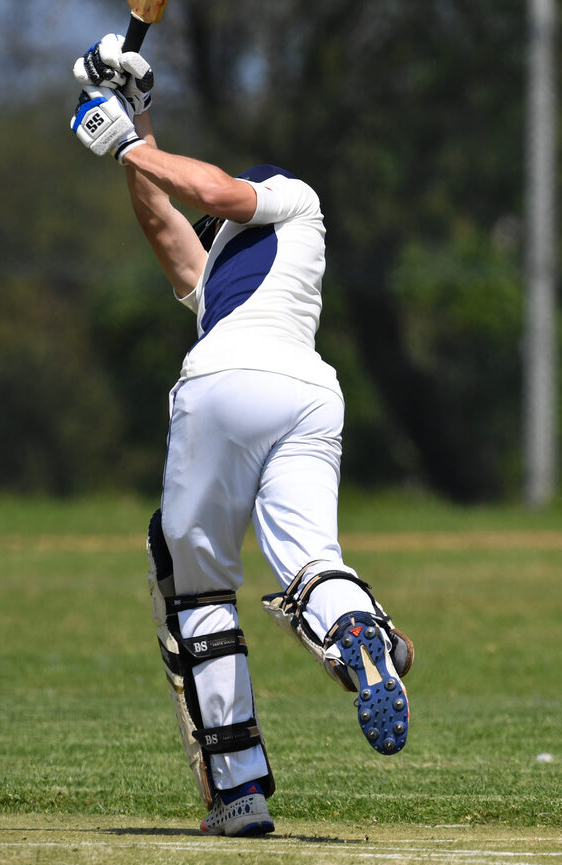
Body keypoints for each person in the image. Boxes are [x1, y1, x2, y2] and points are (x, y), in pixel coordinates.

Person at [70, 36, 414, 836]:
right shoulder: (227, 282)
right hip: (308, 396)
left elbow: (213, 191)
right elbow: (164, 223)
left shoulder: (290, 196)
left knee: (193, 586)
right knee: (313, 559)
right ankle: (357, 632)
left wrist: (125, 142)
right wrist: (135, 115)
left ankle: (239, 791)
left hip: (225, 384)